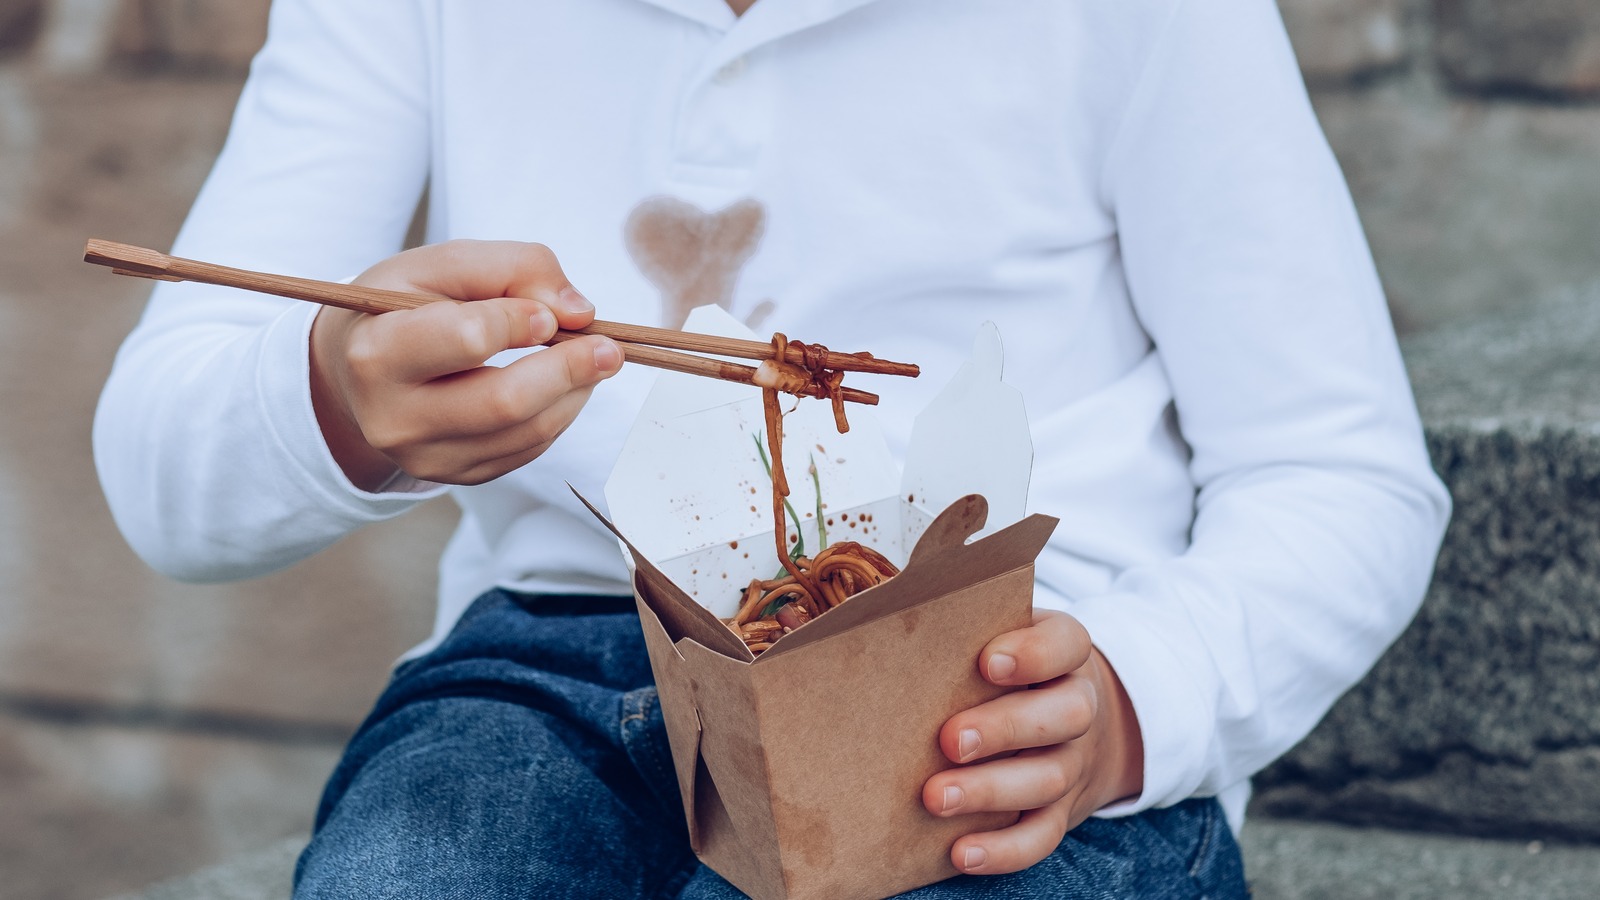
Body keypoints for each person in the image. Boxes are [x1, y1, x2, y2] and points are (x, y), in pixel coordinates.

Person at [93, 0, 1451, 897]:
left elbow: (1341, 473)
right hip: (556, 662)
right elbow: (161, 469)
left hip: (980, 689)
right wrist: (338, 402)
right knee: (411, 871)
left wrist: (1132, 709)